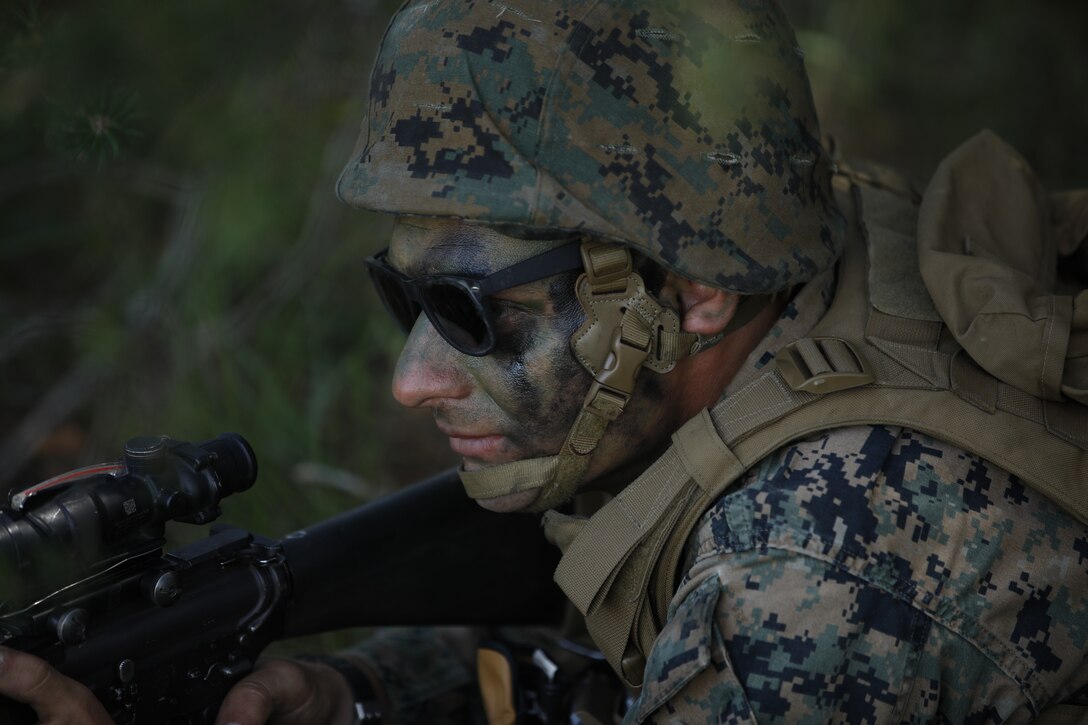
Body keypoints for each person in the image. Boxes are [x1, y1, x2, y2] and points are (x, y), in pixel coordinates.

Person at [3, 0, 1087, 722]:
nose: (410, 378)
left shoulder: (804, 590)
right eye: (404, 298)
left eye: (474, 311)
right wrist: (362, 689)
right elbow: (593, 618)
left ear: (693, 288)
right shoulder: (793, 235)